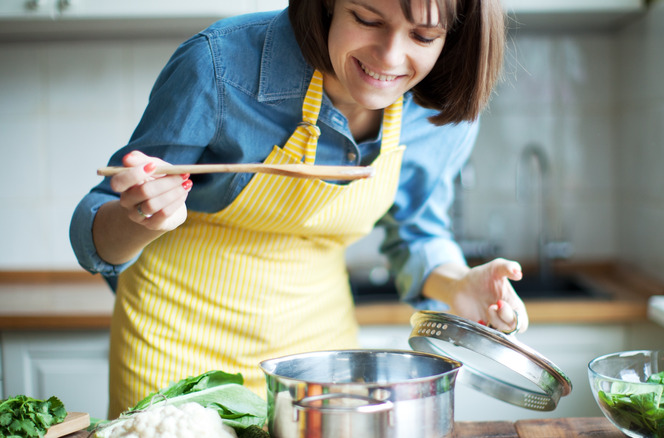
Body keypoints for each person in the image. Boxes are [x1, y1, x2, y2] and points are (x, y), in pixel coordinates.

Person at [70, 0, 529, 419]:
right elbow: (95, 227)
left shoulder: (439, 114)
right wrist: (139, 217)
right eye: (368, 19)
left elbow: (416, 232)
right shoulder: (220, 64)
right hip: (172, 348)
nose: (390, 57)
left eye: (423, 37)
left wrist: (458, 285)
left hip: (317, 362)